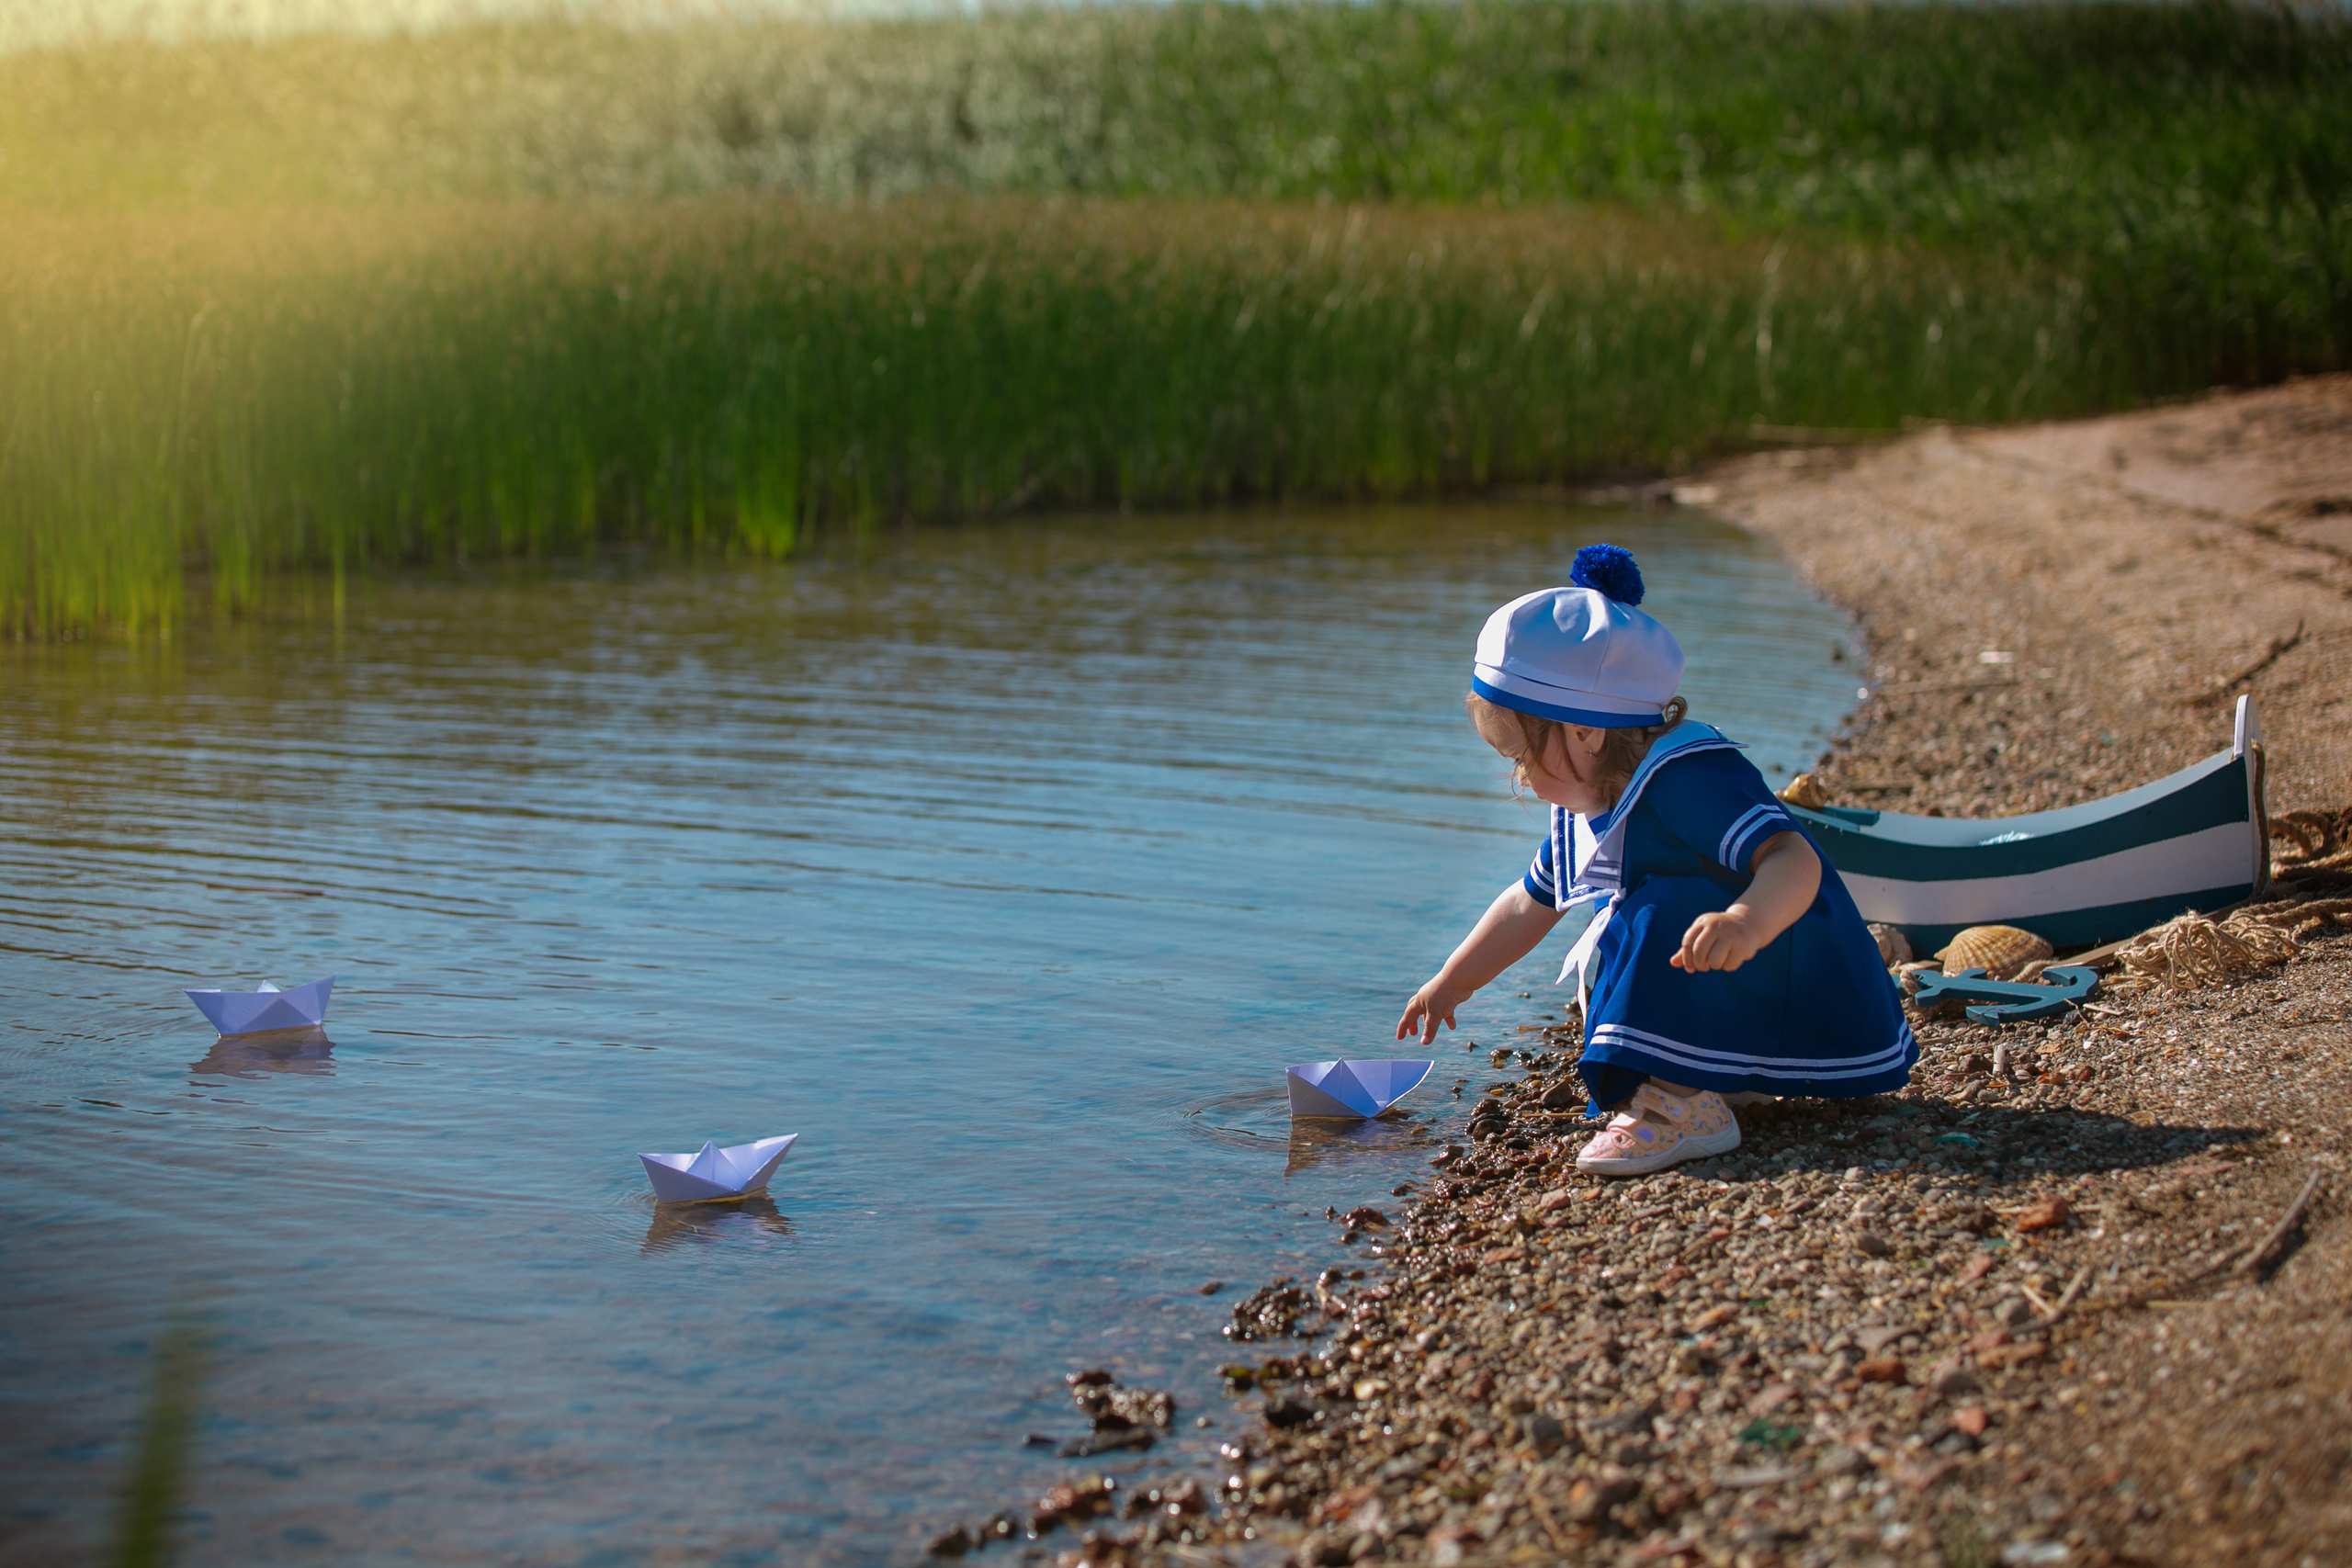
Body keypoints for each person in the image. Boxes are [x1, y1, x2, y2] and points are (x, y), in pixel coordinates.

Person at [1396, 544, 1915, 1176]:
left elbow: (1795, 859)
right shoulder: (1588, 800)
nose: (1520, 778)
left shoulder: (1685, 777)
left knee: (1653, 910)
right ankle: (1710, 1073)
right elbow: (1527, 903)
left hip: (1793, 969)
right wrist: (1452, 981)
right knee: (1625, 920)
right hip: (1731, 982)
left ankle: (1681, 1106)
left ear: (1586, 730)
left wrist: (1747, 920)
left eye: (1523, 756)